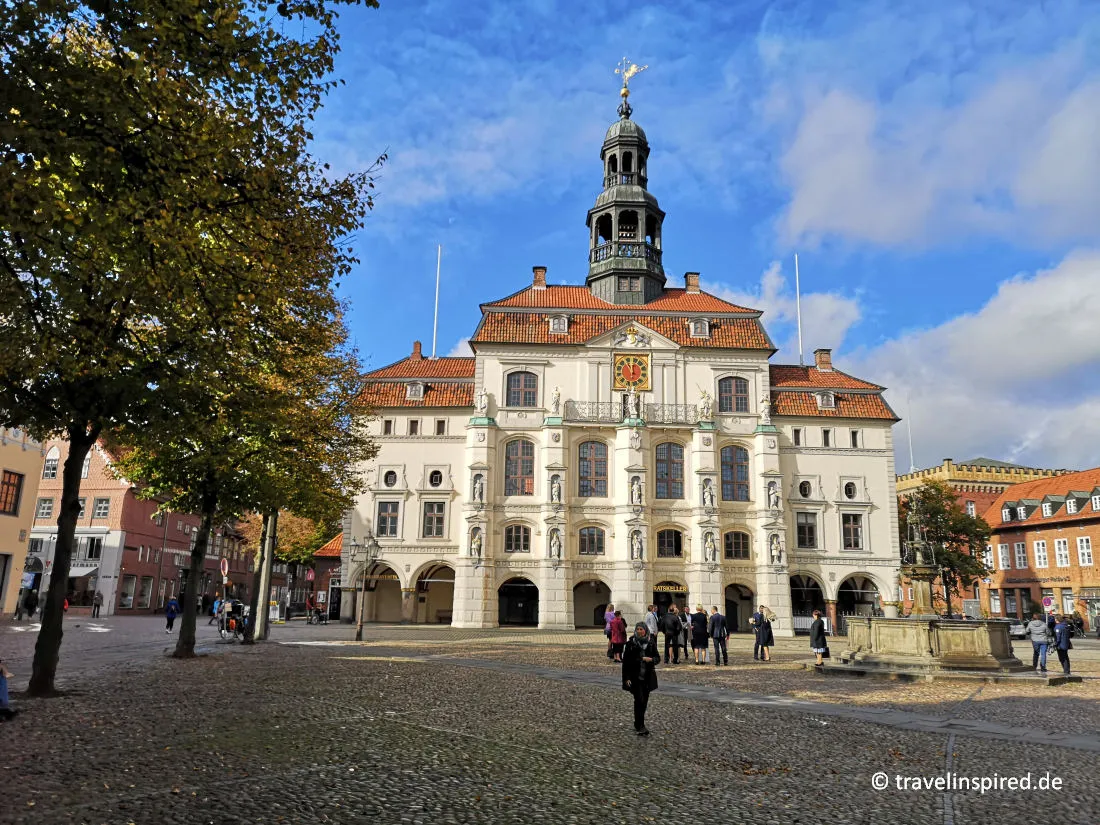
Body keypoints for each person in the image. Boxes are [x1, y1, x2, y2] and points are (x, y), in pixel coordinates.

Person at [621, 621, 659, 736]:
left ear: (645, 630)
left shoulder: (651, 643)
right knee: (639, 700)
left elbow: (657, 658)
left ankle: (638, 722)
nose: (639, 631)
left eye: (641, 629)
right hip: (635, 677)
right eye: (637, 629)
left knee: (644, 702)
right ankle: (640, 725)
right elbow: (626, 663)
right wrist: (626, 678)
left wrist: (651, 660)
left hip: (647, 677)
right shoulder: (630, 644)